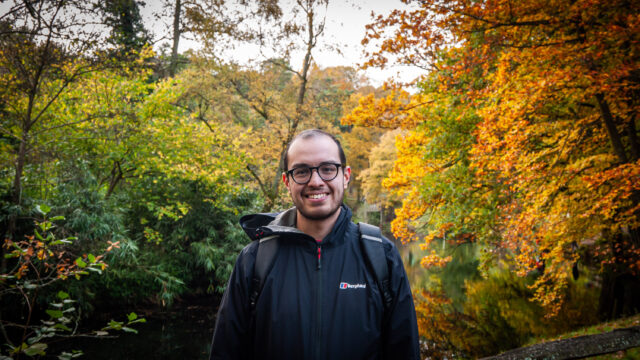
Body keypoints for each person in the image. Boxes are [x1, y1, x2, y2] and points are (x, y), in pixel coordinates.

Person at [209, 129, 420, 360]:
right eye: (301, 171)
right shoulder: (255, 260)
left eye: (328, 169)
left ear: (346, 176)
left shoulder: (381, 256)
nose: (316, 181)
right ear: (287, 181)